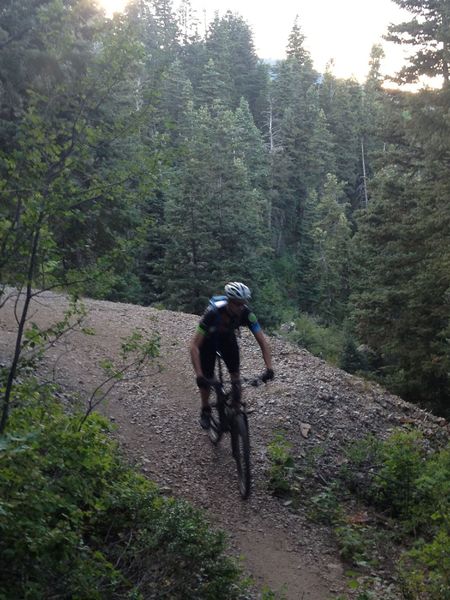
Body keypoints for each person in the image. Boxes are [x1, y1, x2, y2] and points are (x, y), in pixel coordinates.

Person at [190, 281, 274, 429]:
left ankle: (235, 411)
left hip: (228, 340)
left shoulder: (247, 314)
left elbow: (263, 342)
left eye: (243, 303)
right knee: (207, 379)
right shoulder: (212, 313)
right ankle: (205, 410)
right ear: (229, 301)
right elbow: (194, 346)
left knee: (236, 377)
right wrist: (199, 375)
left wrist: (269, 368)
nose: (241, 307)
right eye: (237, 304)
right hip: (208, 343)